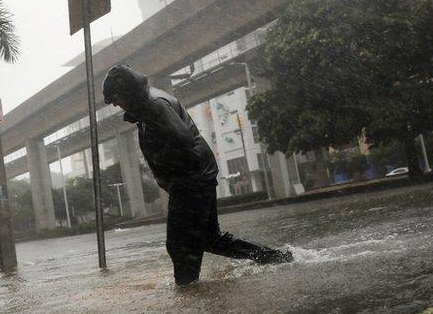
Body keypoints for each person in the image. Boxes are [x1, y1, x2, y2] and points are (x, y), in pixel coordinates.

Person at [102, 64, 292, 286]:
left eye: (116, 98)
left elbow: (182, 139)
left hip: (190, 180)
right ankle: (275, 258)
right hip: (196, 175)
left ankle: (187, 291)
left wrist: (166, 167)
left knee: (179, 245)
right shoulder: (146, 104)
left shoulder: (154, 105)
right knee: (211, 240)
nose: (116, 104)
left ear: (127, 91)